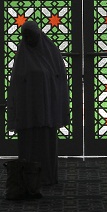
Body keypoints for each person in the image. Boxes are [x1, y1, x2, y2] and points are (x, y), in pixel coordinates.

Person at [6, 19, 69, 186]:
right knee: (29, 146)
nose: (29, 39)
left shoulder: (51, 54)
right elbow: (16, 86)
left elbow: (59, 81)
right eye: (25, 36)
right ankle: (28, 179)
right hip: (28, 113)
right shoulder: (23, 57)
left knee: (46, 146)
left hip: (47, 113)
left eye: (31, 35)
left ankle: (46, 177)